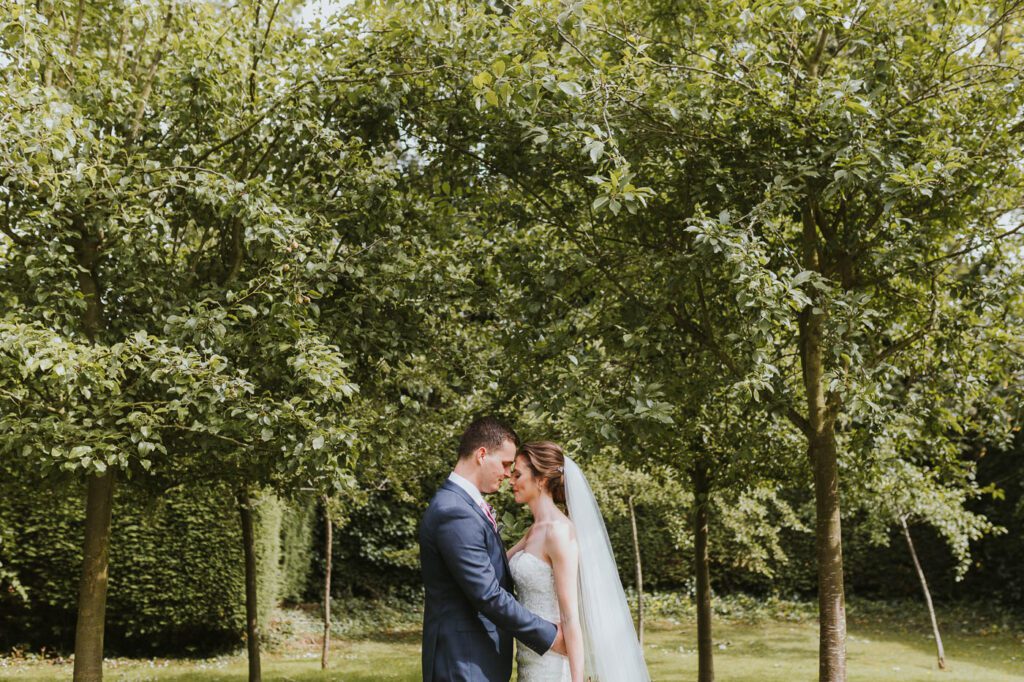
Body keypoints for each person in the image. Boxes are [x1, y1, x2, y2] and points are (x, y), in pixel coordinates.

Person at [419, 417, 566, 682]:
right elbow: (487, 594)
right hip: (463, 664)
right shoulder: (455, 511)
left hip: (474, 660)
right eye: (506, 464)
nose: (508, 474)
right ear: (482, 455)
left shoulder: (464, 505)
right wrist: (551, 636)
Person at [508, 441, 651, 682]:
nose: (510, 481)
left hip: (553, 664)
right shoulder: (534, 530)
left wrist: (577, 679)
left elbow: (570, 616)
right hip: (529, 657)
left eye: (517, 474)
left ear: (541, 480)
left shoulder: (559, 532)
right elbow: (499, 566)